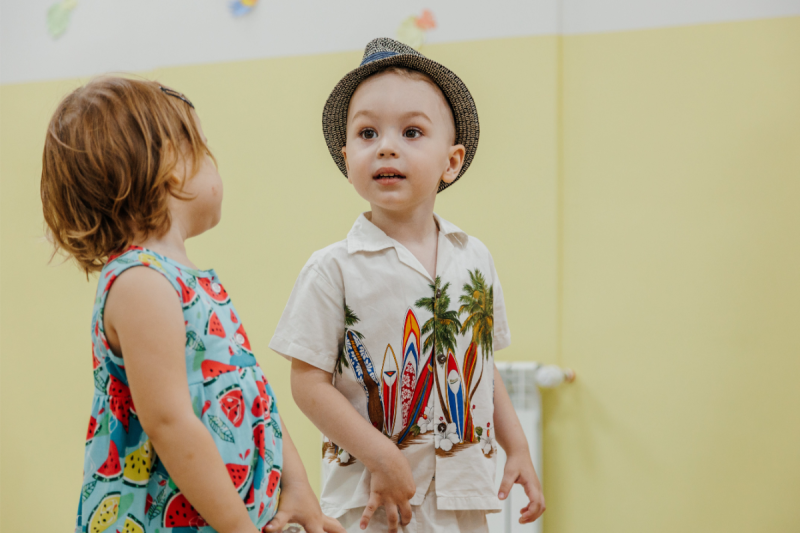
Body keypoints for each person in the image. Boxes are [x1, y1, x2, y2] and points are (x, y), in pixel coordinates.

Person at [41, 77, 343, 533]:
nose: (214, 161)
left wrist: (296, 486)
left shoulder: (189, 282)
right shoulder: (141, 283)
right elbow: (169, 422)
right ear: (169, 169)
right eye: (202, 147)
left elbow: (254, 393)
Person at [270, 38, 546, 533]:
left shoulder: (474, 257)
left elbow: (480, 362)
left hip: (464, 496)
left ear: (452, 161)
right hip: (375, 503)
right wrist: (382, 457)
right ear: (347, 155)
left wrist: (518, 446)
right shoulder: (332, 268)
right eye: (368, 132)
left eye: (412, 131)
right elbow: (307, 384)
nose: (387, 145)